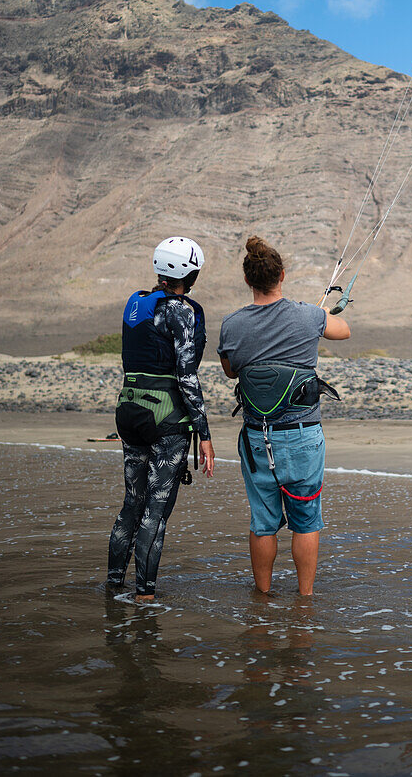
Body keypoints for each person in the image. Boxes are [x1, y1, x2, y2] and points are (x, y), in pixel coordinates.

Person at [219, 236, 350, 596]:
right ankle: (304, 601)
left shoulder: (231, 325)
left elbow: (231, 371)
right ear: (282, 275)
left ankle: (262, 600)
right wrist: (322, 316)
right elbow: (345, 331)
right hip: (303, 435)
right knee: (306, 522)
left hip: (257, 439)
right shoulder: (308, 315)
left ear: (248, 281)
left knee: (263, 523)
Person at [107, 236, 215, 602]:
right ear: (190, 274)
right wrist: (203, 432)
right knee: (155, 511)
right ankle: (145, 598)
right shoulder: (181, 311)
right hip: (164, 418)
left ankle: (113, 588)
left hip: (129, 411)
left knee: (130, 504)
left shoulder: (134, 305)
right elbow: (187, 376)